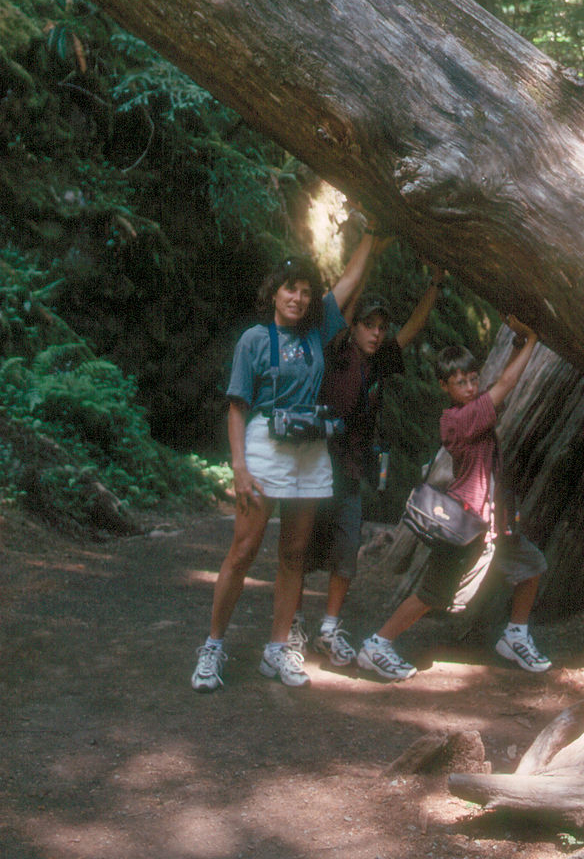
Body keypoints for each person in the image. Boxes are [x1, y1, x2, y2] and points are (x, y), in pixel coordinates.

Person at [190, 236, 376, 692]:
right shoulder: (254, 340)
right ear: (274, 292)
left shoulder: (318, 332)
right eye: (290, 289)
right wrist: (239, 466)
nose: (298, 298)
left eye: (306, 291)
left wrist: (372, 234)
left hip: (310, 452)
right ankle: (212, 646)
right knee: (244, 549)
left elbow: (350, 283)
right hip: (264, 446)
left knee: (294, 553)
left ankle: (278, 650)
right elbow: (237, 406)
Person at [356, 316, 551, 681]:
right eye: (460, 382)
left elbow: (496, 384)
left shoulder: (475, 410)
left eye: (473, 378)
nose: (470, 386)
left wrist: (515, 344)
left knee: (532, 566)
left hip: (491, 526)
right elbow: (506, 383)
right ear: (444, 387)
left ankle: (515, 636)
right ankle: (377, 644)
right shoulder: (460, 420)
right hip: (463, 526)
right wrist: (533, 339)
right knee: (431, 594)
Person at [291, 263, 445, 665]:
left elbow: (411, 328)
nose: (376, 333)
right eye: (369, 325)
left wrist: (435, 283)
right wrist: (371, 253)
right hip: (313, 467)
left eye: (381, 327)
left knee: (346, 550)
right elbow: (338, 309)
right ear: (353, 326)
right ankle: (290, 623)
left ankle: (328, 628)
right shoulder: (335, 350)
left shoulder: (380, 361)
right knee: (299, 548)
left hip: (350, 472)